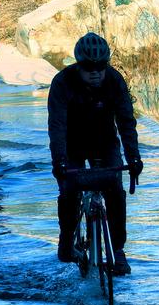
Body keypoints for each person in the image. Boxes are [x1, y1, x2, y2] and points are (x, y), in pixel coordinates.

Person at [49, 32, 143, 276]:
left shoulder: (115, 81)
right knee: (69, 191)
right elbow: (56, 127)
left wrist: (133, 157)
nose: (96, 73)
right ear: (78, 65)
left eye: (101, 67)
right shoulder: (62, 83)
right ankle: (67, 238)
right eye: (89, 68)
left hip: (104, 141)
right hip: (72, 144)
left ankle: (118, 250)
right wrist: (59, 161)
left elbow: (126, 121)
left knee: (115, 190)